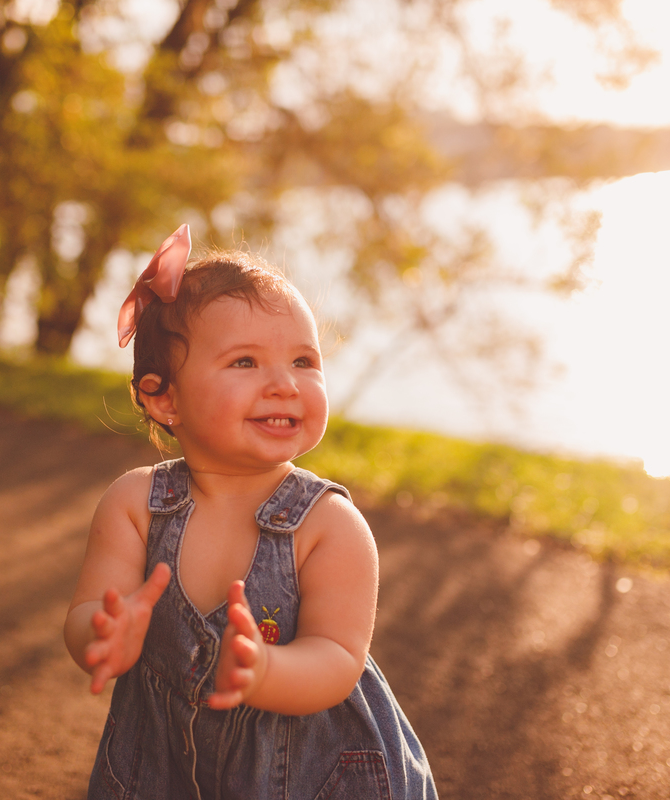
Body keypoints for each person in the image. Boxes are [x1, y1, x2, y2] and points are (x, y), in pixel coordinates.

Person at [64, 225, 436, 799]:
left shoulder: (329, 526)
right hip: (160, 771)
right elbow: (89, 610)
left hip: (307, 777)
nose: (285, 384)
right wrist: (104, 633)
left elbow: (338, 659)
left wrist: (266, 672)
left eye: (304, 361)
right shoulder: (134, 505)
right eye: (245, 363)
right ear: (165, 398)